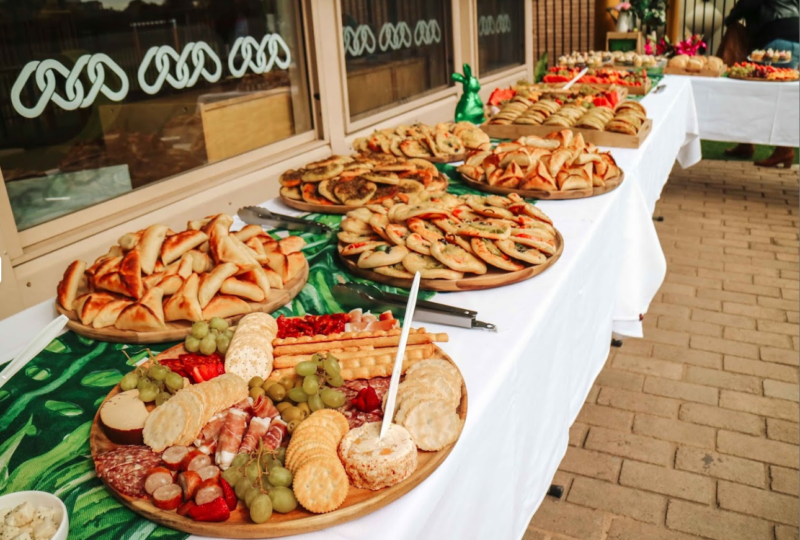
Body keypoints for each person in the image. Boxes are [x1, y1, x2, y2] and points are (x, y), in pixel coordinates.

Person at [723, 0, 799, 167]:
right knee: (759, 92)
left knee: (773, 96)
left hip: (777, 35)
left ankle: (784, 149)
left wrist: (730, 19)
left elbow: (748, 3)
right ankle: (746, 142)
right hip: (794, 33)